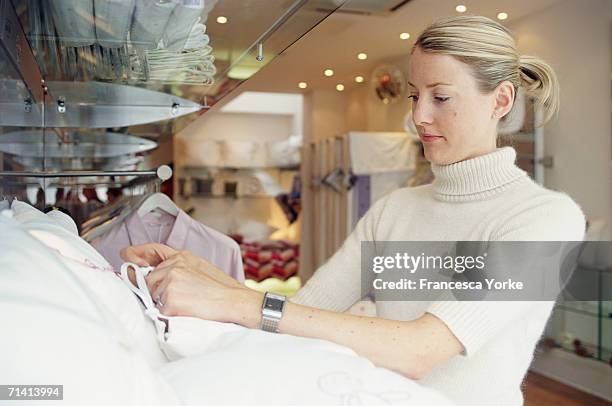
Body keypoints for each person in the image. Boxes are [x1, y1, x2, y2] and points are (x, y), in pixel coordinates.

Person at [120, 15, 585, 406]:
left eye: (440, 97)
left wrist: (233, 299)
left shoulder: (545, 219)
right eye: (414, 95)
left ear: (500, 101)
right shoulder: (396, 208)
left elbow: (424, 349)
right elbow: (299, 314)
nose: (419, 116)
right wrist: (203, 274)